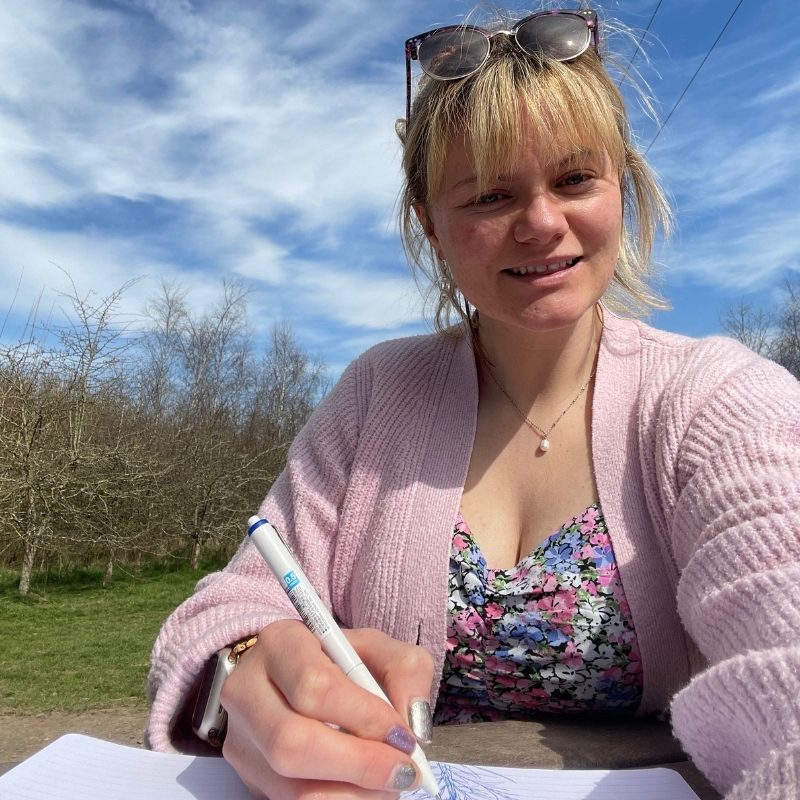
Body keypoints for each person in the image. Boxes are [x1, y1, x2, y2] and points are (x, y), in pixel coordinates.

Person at [146, 6, 800, 800]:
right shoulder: (375, 395)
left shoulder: (719, 399)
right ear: (431, 226)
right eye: (490, 196)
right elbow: (230, 604)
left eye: (573, 179)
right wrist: (244, 666)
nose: (540, 223)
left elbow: (782, 627)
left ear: (620, 187)